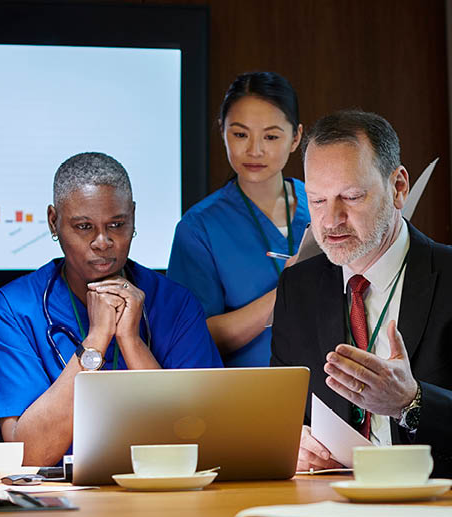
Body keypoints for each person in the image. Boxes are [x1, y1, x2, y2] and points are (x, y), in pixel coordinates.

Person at [0, 152, 223, 466]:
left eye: (117, 224)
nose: (103, 241)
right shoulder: (13, 309)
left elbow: (197, 438)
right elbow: (29, 455)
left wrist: (132, 343)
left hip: (157, 490)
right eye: (84, 227)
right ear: (54, 221)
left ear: (133, 217)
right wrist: (96, 339)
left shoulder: (177, 304)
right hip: (58, 501)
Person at [271, 109, 452, 476]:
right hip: (330, 503)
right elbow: (283, 413)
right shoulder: (298, 287)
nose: (331, 220)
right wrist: (293, 442)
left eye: (351, 197)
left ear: (399, 187)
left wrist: (410, 402)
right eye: (317, 200)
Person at [167, 71, 310, 367]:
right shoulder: (199, 228)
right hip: (248, 396)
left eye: (271, 136)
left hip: (331, 387)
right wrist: (283, 293)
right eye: (240, 134)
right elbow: (191, 336)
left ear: (296, 137)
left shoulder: (322, 204)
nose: (254, 150)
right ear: (222, 131)